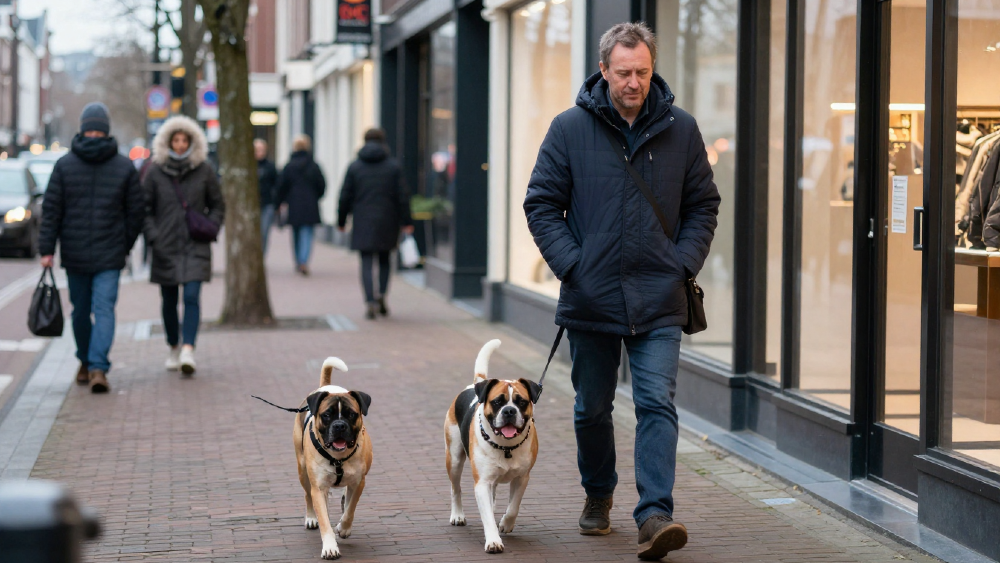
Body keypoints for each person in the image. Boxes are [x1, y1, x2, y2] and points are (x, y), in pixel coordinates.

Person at [523, 22, 720, 560]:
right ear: (604, 69)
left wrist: (682, 262)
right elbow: (541, 203)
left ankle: (655, 514)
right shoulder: (569, 129)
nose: (633, 82)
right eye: (623, 72)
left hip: (659, 297)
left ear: (652, 69)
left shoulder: (682, 129)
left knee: (657, 402)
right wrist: (573, 264)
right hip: (593, 296)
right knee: (591, 408)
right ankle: (598, 493)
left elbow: (704, 203)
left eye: (643, 72)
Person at [37, 102, 145, 393]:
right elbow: (52, 211)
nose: (95, 135)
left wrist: (124, 244)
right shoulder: (118, 166)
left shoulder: (68, 165)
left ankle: (96, 366)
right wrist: (46, 249)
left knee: (98, 308)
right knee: (84, 311)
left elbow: (136, 212)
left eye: (99, 130)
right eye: (92, 130)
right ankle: (87, 361)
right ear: (84, 130)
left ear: (106, 131)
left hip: (96, 254)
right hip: (89, 254)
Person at [143, 115, 225, 376]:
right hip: (165, 246)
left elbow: (218, 203)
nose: (179, 145)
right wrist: (153, 235)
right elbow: (145, 208)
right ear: (168, 142)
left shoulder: (205, 169)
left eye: (184, 140)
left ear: (192, 142)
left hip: (195, 245)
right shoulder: (155, 171)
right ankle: (173, 345)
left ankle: (188, 348)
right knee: (168, 300)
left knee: (191, 296)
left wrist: (210, 226)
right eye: (175, 140)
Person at [337, 128, 414, 319]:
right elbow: (403, 196)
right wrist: (406, 221)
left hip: (362, 219)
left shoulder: (355, 167)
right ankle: (381, 296)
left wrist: (341, 220)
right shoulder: (393, 167)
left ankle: (370, 300)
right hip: (388, 219)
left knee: (365, 261)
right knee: (385, 260)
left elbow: (345, 195)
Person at [277, 135, 326, 275]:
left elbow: (281, 186)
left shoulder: (289, 166)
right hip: (310, 205)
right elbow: (322, 185)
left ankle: (299, 260)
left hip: (294, 205)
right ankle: (304, 261)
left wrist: (280, 202)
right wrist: (316, 197)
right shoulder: (314, 165)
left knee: (296, 234)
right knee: (307, 233)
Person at [255, 139, 279, 254]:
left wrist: (276, 202)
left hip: (267, 203)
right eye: (257, 150)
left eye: (261, 150)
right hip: (253, 205)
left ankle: (261, 256)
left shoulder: (270, 167)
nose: (259, 152)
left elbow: (277, 184)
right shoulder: (248, 166)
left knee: (264, 231)